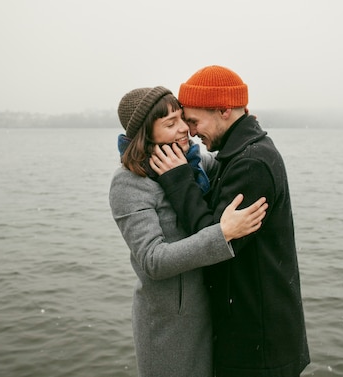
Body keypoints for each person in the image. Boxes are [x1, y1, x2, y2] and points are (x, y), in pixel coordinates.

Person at [150, 65, 310, 377]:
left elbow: (217, 242)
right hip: (255, 334)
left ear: (224, 110)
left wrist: (178, 180)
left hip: (258, 345)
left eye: (194, 121)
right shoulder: (241, 153)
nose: (191, 131)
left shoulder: (251, 163)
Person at [109, 86, 268, 377]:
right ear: (146, 134)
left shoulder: (195, 161)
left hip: (213, 310)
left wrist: (240, 128)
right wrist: (222, 233)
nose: (185, 129)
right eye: (171, 124)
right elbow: (153, 260)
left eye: (182, 118)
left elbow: (229, 159)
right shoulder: (129, 183)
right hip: (171, 326)